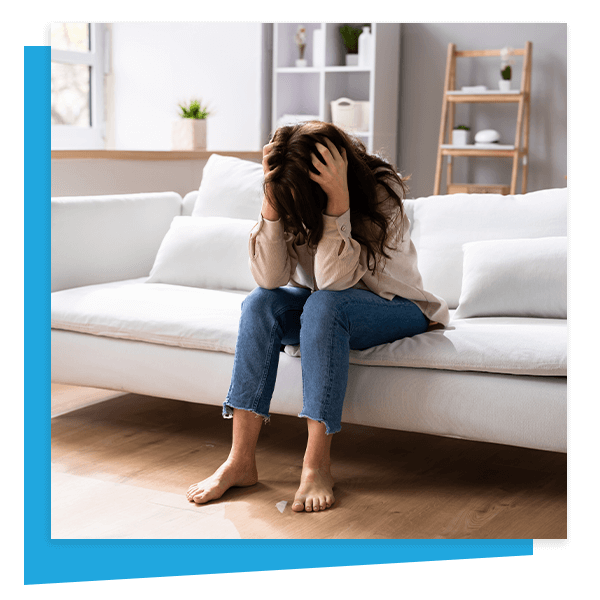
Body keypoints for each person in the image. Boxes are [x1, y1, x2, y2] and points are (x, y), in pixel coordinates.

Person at [186, 121, 449, 512]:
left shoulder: (380, 193)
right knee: (260, 303)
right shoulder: (289, 190)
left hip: (400, 308)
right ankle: (240, 461)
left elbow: (332, 282)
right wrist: (272, 198)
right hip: (325, 308)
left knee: (325, 305)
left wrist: (337, 201)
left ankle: (316, 466)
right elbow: (271, 278)